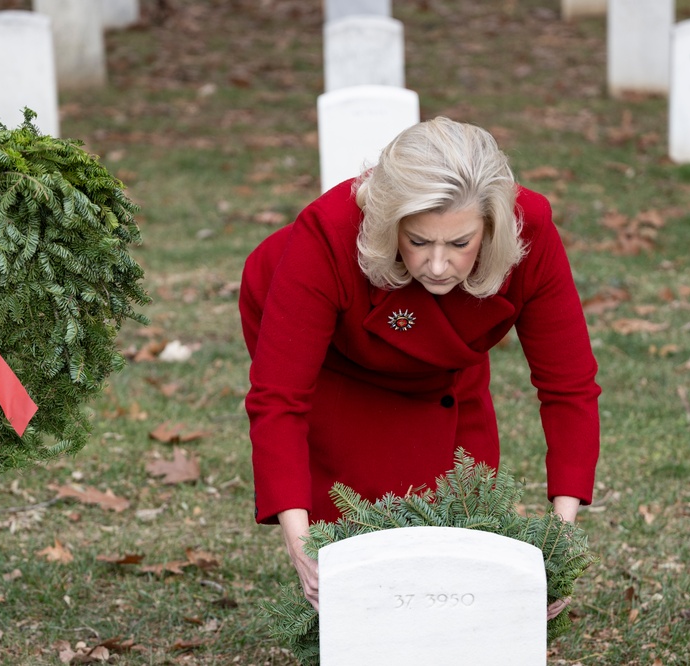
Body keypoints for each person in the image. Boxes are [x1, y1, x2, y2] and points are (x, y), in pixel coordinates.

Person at [240, 117, 600, 617]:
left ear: (491, 227)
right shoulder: (328, 234)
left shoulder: (529, 232)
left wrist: (559, 539)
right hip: (338, 353)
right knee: (356, 500)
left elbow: (569, 385)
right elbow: (279, 399)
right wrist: (302, 549)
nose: (436, 265)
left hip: (449, 354)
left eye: (459, 244)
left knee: (464, 509)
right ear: (390, 224)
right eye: (418, 241)